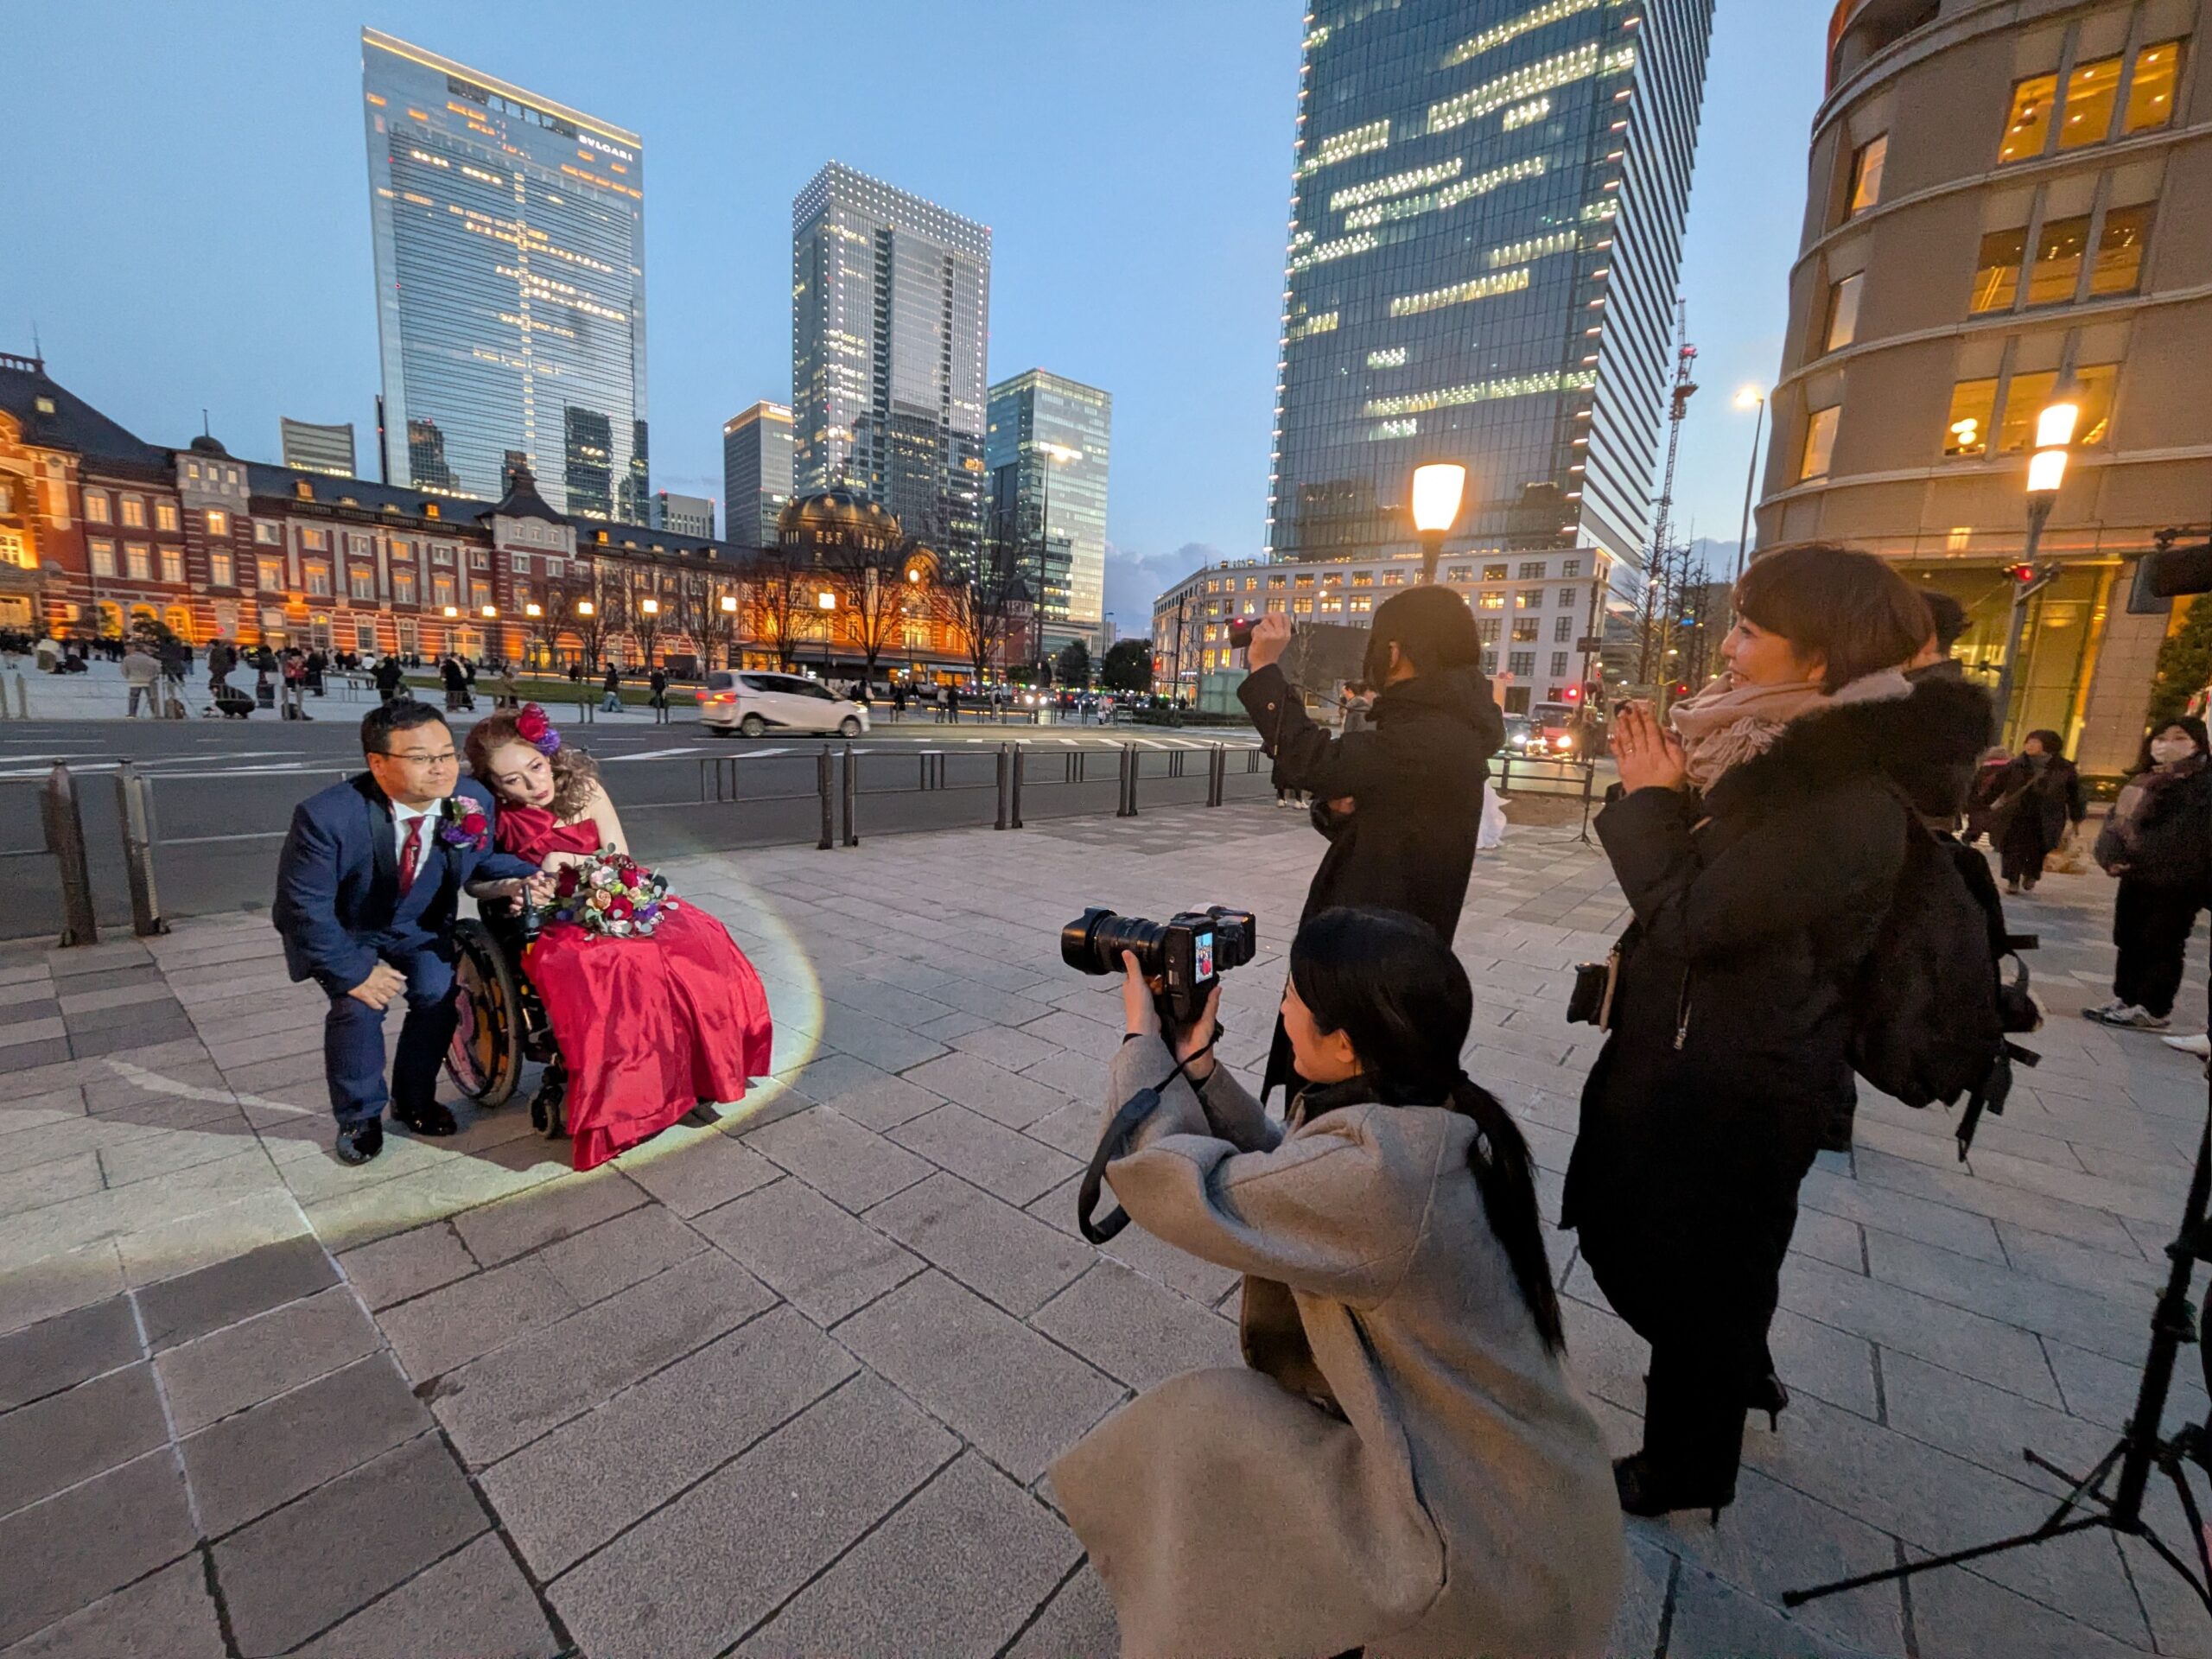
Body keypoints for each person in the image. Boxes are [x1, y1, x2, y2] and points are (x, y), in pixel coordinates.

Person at [1053, 908, 1622, 1658]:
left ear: (1348, 1044)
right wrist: (1197, 1070)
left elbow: (1191, 1194)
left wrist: (1141, 1047)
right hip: (1528, 1496)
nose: (1282, 1011)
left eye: (1292, 996)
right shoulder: (1438, 1112)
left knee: (1194, 1433)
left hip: (1484, 1555)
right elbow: (1298, 1180)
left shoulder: (1389, 1180)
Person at [1564, 541, 1929, 1521]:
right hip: (1703, 1054)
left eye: (1748, 630)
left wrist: (1648, 805)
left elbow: (1693, 921)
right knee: (1683, 1255)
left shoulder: (1836, 794)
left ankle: (1688, 1460)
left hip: (1737, 1076)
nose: (1726, 648)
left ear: (1817, 662)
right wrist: (1667, 795)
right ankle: (1732, 1366)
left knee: (1668, 1257)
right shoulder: (1775, 753)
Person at [466, 707, 775, 1168]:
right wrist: (520, 883)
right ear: (494, 785)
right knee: (616, 966)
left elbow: (620, 858)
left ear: (547, 752)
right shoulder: (495, 816)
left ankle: (698, 1071)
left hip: (609, 891)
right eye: (514, 780)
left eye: (535, 767)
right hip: (547, 916)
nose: (534, 785)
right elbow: (473, 881)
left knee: (700, 940)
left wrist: (573, 865)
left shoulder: (584, 789)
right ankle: (635, 1100)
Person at [1238, 587, 1505, 1099]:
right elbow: (1378, 817)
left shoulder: (1427, 734)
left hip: (1366, 969)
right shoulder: (1447, 729)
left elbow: (1307, 760)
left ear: (1394, 651)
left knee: (1337, 1096)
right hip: (1388, 950)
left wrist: (1264, 669)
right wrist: (1337, 807)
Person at [272, 703, 549, 1165]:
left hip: (418, 926)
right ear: (377, 763)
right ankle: (359, 1117)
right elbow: (303, 908)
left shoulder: (470, 800)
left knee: (439, 995)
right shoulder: (327, 818)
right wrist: (356, 971)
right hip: (349, 930)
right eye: (422, 758)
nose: (440, 768)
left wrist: (529, 876)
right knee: (358, 1009)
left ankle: (414, 1100)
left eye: (446, 754)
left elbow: (481, 861)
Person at [2087, 716, 2212, 1031]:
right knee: (2128, 936)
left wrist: (2139, 856)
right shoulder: (2144, 780)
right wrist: (2110, 856)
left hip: (2178, 877)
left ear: (2197, 743)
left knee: (2162, 940)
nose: (2165, 744)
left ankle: (2154, 1006)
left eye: (2178, 737)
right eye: (2159, 737)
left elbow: (2186, 834)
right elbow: (2117, 822)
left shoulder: (2203, 784)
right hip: (2137, 874)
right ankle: (2126, 998)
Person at [1989, 728, 2087, 894]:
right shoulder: (2016, 764)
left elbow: (2075, 794)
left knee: (2037, 850)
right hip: (2016, 815)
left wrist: (2077, 816)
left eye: (2034, 742)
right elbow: (1996, 786)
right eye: (2028, 741)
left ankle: (2031, 874)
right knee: (2012, 848)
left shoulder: (2064, 768)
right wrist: (1983, 804)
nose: (2029, 745)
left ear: (2048, 745)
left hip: (2046, 817)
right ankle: (2012, 880)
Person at [122, 640, 161, 718]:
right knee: (152, 698)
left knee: (134, 698)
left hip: (134, 680)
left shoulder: (127, 658)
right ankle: (155, 713)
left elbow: (124, 670)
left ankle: (132, 714)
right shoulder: (150, 659)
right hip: (149, 680)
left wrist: (128, 676)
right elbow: (158, 668)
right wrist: (154, 676)